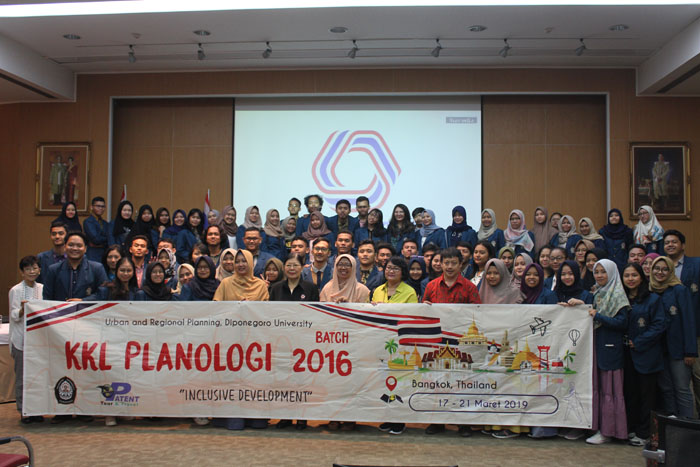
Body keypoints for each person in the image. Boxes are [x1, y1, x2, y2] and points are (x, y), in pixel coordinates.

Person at [423, 247, 481, 437]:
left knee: (462, 383)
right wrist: (424, 307)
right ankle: (437, 422)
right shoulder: (431, 286)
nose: (449, 266)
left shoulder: (469, 287)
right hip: (438, 341)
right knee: (437, 382)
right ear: (440, 264)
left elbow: (478, 313)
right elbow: (423, 312)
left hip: (461, 341)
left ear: (461, 264)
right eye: (446, 263)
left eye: (453, 263)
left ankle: (463, 423)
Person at [213, 249, 269, 430]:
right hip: (230, 340)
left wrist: (251, 308)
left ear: (251, 263)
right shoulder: (226, 284)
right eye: (237, 262)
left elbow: (267, 313)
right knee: (231, 379)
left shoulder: (260, 286)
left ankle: (256, 418)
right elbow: (216, 309)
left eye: (244, 261)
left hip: (254, 342)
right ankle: (232, 418)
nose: (240, 264)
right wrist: (235, 309)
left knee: (254, 379)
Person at [269, 253, 320, 430]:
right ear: (284, 267)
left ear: (302, 267)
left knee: (301, 380)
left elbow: (316, 315)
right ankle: (285, 416)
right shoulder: (275, 288)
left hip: (303, 342)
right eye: (289, 265)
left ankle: (301, 417)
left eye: (295, 265)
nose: (292, 269)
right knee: (283, 380)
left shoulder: (311, 288)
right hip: (282, 341)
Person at [583, 259, 630, 445]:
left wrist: (599, 316)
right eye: (597, 272)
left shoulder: (617, 295)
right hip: (598, 347)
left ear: (612, 273)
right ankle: (600, 428)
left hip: (611, 349)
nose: (600, 275)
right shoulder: (598, 293)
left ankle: (610, 431)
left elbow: (622, 323)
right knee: (600, 389)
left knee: (610, 390)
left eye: (603, 272)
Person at [622, 262, 666, 446]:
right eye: (627, 276)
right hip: (626, 355)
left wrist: (638, 342)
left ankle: (644, 432)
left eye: (634, 275)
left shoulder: (653, 299)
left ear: (641, 277)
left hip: (647, 355)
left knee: (647, 395)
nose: (630, 279)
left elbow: (659, 325)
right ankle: (631, 428)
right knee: (630, 393)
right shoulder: (621, 298)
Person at [650, 256, 697, 419]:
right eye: (657, 269)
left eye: (665, 269)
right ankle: (673, 424)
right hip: (658, 350)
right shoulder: (650, 290)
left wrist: (690, 351)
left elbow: (688, 321)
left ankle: (687, 425)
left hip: (679, 350)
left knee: (682, 388)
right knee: (666, 388)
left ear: (671, 271)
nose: (660, 272)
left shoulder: (679, 290)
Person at [663, 229, 700, 414]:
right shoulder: (661, 270)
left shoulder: (697, 265)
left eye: (674, 242)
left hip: (695, 331)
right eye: (667, 243)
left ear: (683, 245)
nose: (670, 245)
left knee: (697, 378)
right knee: (677, 385)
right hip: (672, 336)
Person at [9, 255, 44, 424]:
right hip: (21, 339)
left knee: (37, 377)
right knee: (22, 378)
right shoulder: (15, 290)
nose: (32, 272)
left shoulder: (42, 288)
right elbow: (13, 315)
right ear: (22, 272)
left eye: (34, 268)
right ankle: (23, 410)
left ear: (39, 270)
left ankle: (36, 409)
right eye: (28, 269)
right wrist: (23, 309)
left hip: (38, 340)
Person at [43, 231, 108, 302]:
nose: (74, 248)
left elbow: (103, 294)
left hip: (87, 309)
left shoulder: (97, 268)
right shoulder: (53, 269)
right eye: (71, 245)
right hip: (60, 309)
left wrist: (83, 301)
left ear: (85, 248)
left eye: (79, 246)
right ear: (64, 247)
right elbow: (47, 298)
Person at [83, 196, 108, 262]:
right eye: (98, 206)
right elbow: (96, 239)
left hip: (104, 253)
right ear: (91, 207)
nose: (100, 208)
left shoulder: (105, 223)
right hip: (93, 253)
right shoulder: (88, 221)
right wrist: (107, 238)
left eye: (103, 206)